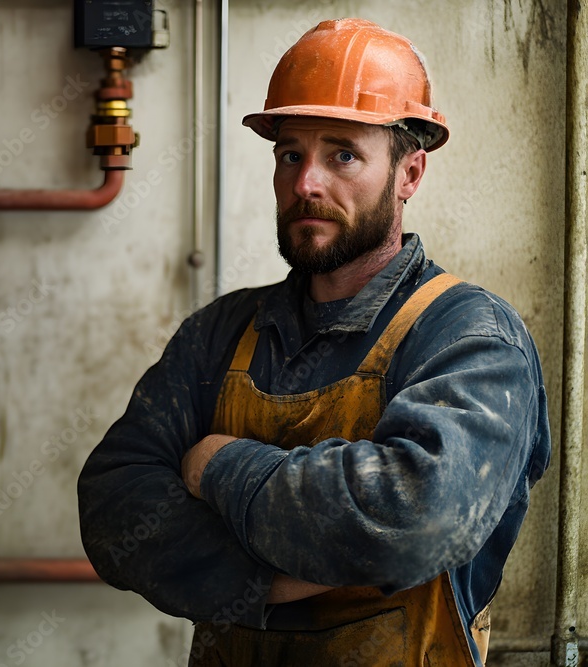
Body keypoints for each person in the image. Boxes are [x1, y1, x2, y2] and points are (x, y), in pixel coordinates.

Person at [77, 18, 550, 667]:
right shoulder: (219, 334)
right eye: (290, 154)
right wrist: (278, 580)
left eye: (343, 155)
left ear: (409, 173)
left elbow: (414, 518)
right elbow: (113, 511)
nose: (305, 183)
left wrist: (215, 465)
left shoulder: (470, 337)